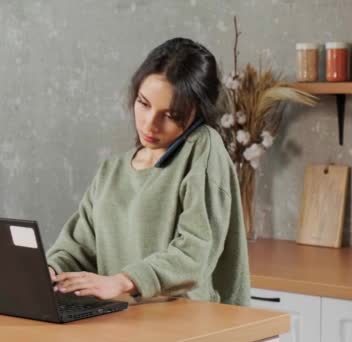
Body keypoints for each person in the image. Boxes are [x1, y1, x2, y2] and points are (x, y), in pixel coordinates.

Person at [46, 37, 250, 306]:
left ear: (198, 113)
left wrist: (121, 281)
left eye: (171, 115)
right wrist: (49, 271)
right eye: (144, 104)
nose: (150, 124)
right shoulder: (113, 170)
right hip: (125, 323)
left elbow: (193, 254)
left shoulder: (204, 148)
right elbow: (77, 248)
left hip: (192, 326)